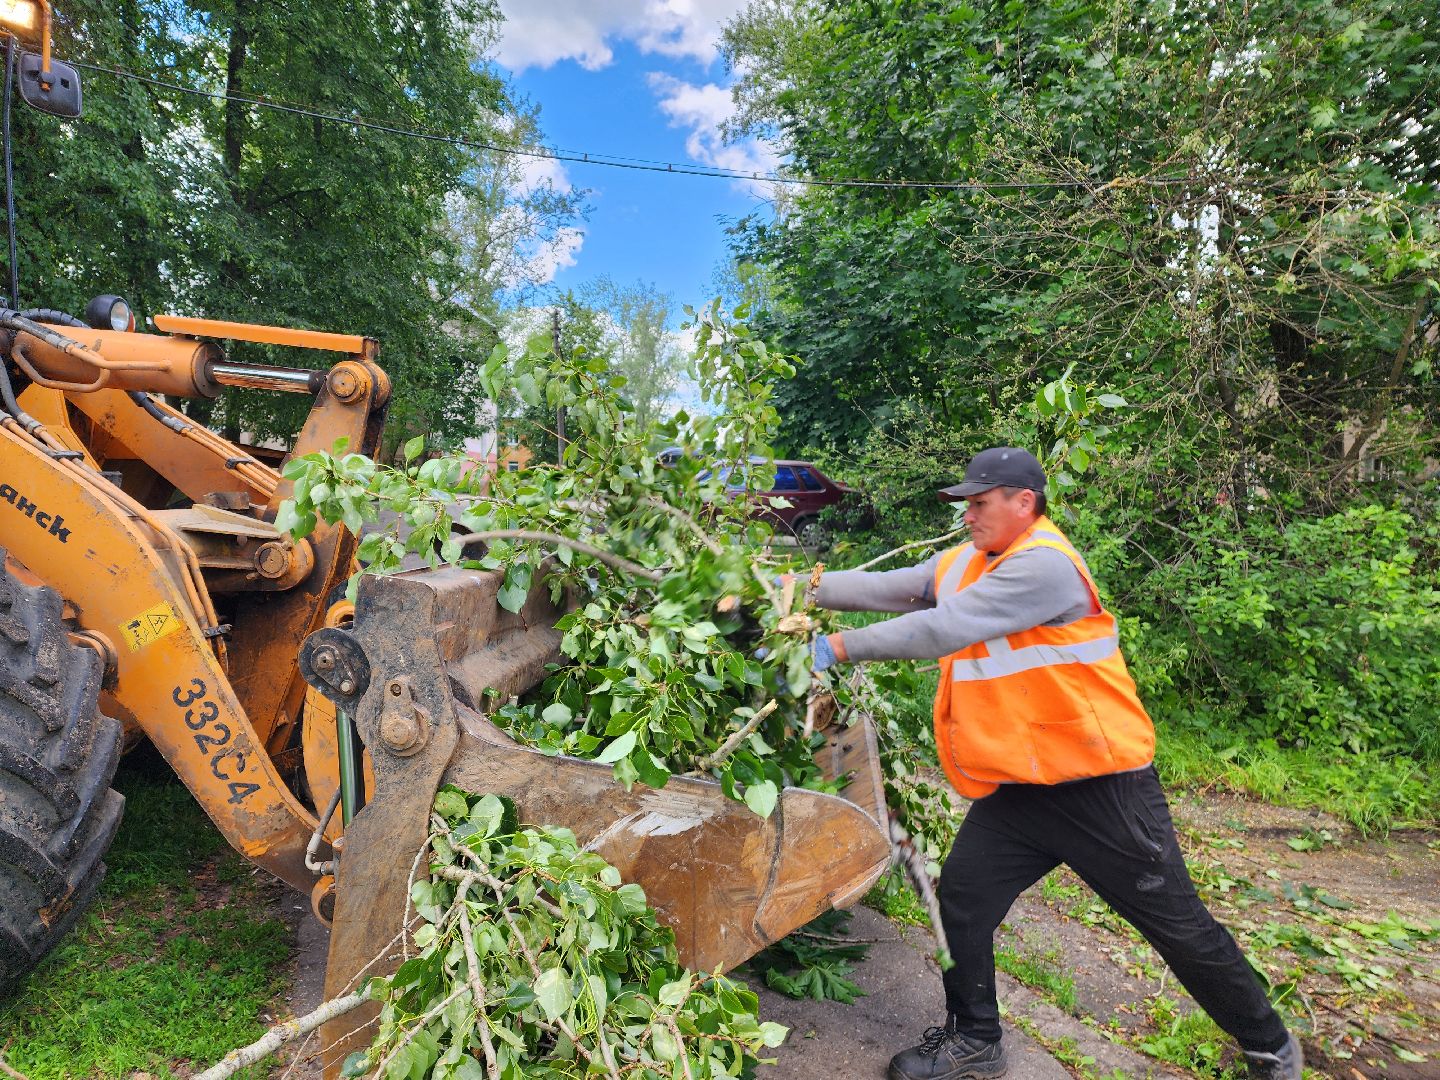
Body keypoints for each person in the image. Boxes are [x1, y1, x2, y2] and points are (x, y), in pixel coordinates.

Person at [799, 447, 1301, 1080]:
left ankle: (1269, 1046)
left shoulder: (1045, 566)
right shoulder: (967, 561)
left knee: (1177, 926)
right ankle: (976, 1041)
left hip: (1101, 789)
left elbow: (942, 628)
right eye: (965, 504)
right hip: (1022, 789)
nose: (968, 515)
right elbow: (896, 588)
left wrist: (831, 647)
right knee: (962, 901)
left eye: (980, 503)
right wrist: (800, 587)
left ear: (1023, 502)